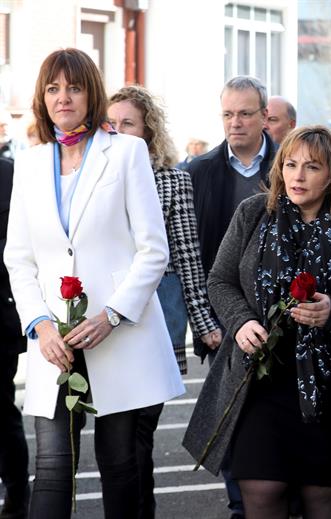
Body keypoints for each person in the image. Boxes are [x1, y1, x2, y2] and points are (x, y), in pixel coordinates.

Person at [4, 48, 184, 519]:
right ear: (42, 99)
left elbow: (153, 250)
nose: (64, 97)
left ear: (92, 94)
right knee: (52, 468)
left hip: (117, 333)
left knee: (120, 466)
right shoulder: (29, 162)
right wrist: (41, 325)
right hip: (54, 342)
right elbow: (19, 259)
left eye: (75, 87)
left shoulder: (125, 153)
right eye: (53, 88)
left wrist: (112, 314)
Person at [184, 126, 331, 518]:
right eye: (290, 165)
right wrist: (241, 321)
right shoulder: (254, 214)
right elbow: (219, 280)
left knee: (322, 496)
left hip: (327, 383)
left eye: (312, 167)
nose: (298, 176)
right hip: (260, 379)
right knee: (262, 491)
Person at [107, 85, 222, 519]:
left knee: (140, 430)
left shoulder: (172, 180)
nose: (117, 132)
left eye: (128, 124)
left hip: (158, 312)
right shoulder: (94, 177)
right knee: (119, 435)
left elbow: (189, 256)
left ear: (148, 132)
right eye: (111, 124)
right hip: (107, 316)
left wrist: (205, 323)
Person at [187, 75, 277, 519]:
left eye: (245, 113)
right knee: (234, 417)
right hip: (222, 321)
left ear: (265, 116)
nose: (235, 123)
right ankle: (244, 507)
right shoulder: (197, 172)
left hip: (286, 319)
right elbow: (191, 258)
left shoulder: (290, 164)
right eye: (227, 114)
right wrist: (206, 322)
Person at [0, 157, 29, 519]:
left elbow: (17, 243)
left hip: (0, 316)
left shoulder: (8, 172)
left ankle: (18, 495)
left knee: (1, 411)